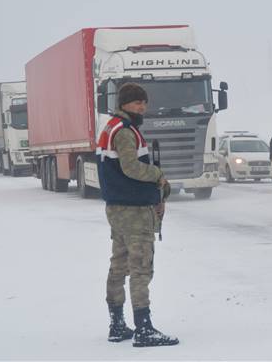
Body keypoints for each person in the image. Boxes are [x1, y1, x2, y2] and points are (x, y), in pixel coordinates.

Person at [97, 82, 178, 347]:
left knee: (119, 264)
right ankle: (144, 328)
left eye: (143, 102)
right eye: (136, 102)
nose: (141, 106)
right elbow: (131, 167)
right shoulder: (125, 131)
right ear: (124, 105)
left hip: (117, 207)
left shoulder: (112, 127)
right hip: (133, 209)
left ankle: (117, 324)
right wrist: (157, 175)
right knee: (141, 267)